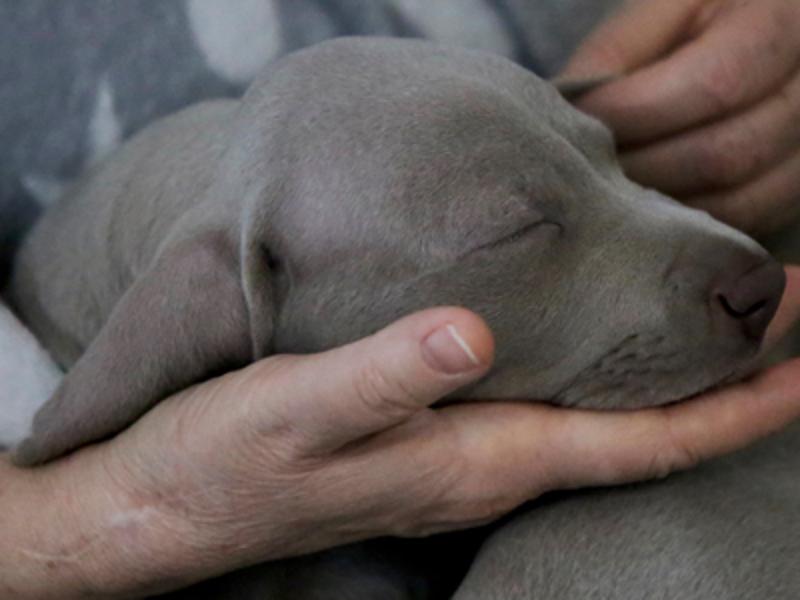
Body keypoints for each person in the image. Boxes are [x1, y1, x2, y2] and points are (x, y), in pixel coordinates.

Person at [2, 0, 800, 597]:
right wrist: (94, 516)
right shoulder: (219, 269)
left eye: (601, 159)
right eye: (519, 234)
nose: (742, 270)